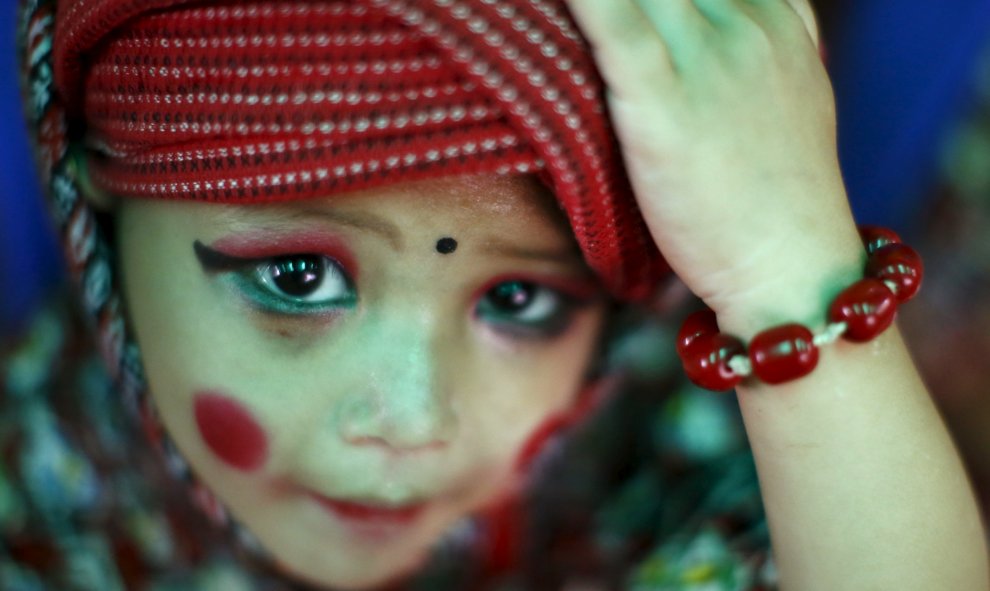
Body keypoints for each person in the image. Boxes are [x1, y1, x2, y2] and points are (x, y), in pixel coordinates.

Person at [7, 0, 988, 589]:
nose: (412, 418)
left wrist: (779, 267)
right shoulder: (29, 496)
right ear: (95, 179)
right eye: (298, 278)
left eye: (520, 300)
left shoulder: (675, 475)